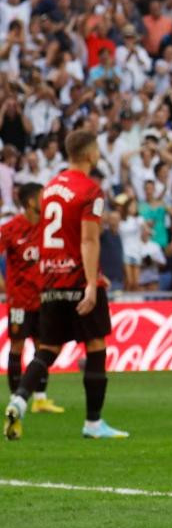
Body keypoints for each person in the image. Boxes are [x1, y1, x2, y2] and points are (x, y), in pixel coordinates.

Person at [5, 131, 128, 440]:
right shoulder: (91, 190)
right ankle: (93, 423)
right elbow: (87, 239)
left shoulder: (50, 189)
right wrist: (91, 282)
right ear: (90, 154)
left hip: (50, 281)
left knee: (47, 348)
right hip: (77, 278)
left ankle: (19, 399)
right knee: (96, 344)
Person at [1, 183, 64, 414]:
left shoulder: (49, 228)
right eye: (42, 196)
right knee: (17, 346)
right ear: (30, 202)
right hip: (19, 301)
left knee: (43, 347)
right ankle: (15, 397)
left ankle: (40, 398)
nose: (46, 200)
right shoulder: (11, 228)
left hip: (44, 299)